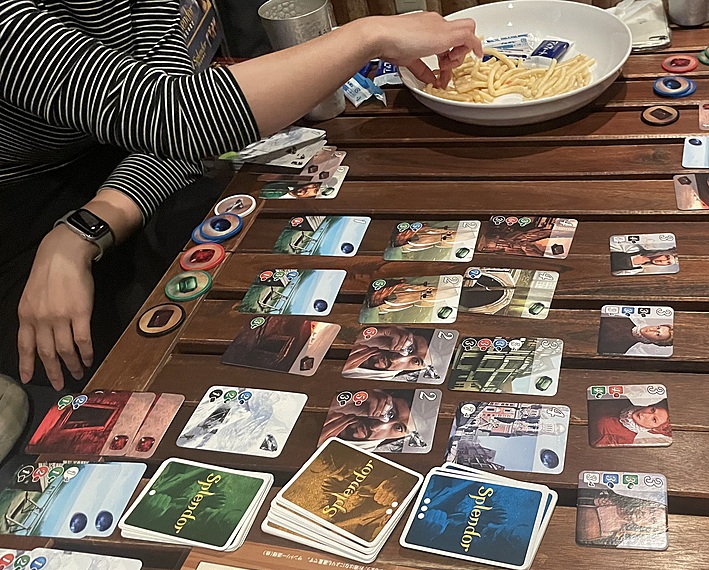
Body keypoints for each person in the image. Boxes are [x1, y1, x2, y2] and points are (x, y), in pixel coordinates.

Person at [0, 4, 481, 391]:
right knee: (86, 377)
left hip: (125, 174)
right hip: (21, 207)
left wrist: (83, 230)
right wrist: (369, 35)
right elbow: (181, 116)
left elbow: (170, 133)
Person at [588, 398, 673, 447]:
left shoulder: (625, 440)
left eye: (654, 419)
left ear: (654, 429)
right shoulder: (622, 400)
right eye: (652, 410)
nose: (645, 414)